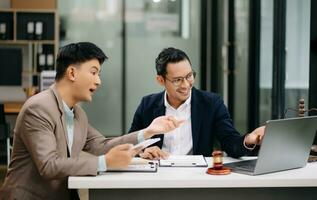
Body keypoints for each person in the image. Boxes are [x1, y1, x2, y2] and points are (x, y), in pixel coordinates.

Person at [0, 42, 183, 200]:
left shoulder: (77, 113)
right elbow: (49, 165)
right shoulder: (39, 108)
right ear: (72, 73)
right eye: (94, 72)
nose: (98, 81)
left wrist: (148, 131)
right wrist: (105, 162)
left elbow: (100, 145)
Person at [129, 47, 265, 160]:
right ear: (160, 80)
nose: (186, 85)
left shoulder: (211, 103)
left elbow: (230, 143)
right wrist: (142, 152)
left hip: (196, 177)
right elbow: (129, 145)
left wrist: (249, 139)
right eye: (177, 80)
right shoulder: (147, 105)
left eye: (189, 76)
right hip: (158, 175)